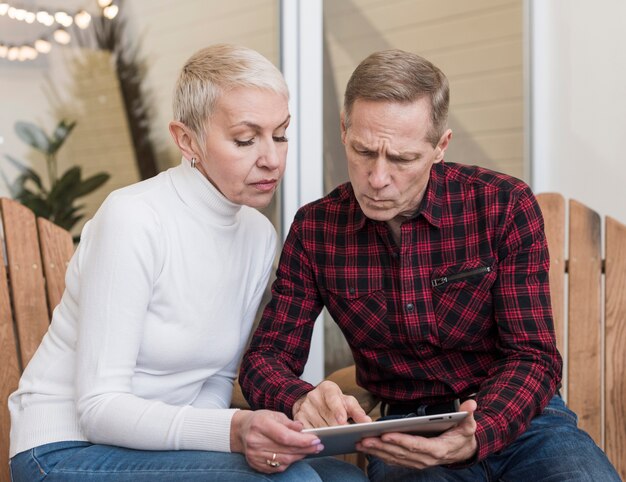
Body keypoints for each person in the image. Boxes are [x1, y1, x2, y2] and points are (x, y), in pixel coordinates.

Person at [240, 49, 621, 481]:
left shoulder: (502, 206)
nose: (378, 178)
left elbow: (534, 355)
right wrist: (298, 398)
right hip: (404, 432)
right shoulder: (316, 230)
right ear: (344, 131)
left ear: (440, 147)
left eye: (402, 159)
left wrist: (480, 431)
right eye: (364, 151)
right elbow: (264, 359)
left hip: (523, 424)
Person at [8, 44, 367, 482]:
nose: (271, 158)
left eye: (280, 134)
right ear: (186, 139)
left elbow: (214, 380)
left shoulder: (257, 236)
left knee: (345, 478)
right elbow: (99, 408)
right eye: (245, 139)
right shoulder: (135, 218)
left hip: (155, 449)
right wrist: (234, 432)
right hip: (64, 450)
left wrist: (229, 441)